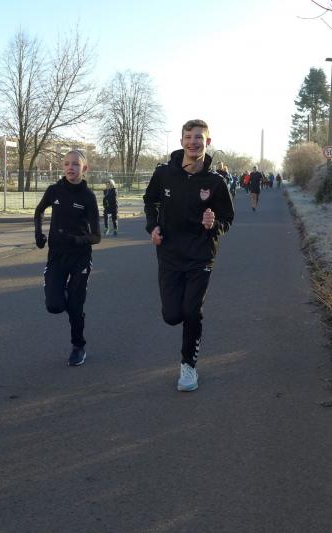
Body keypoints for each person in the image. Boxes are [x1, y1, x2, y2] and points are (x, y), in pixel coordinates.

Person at [143, 119, 234, 391]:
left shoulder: (216, 182)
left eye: (198, 138)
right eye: (188, 137)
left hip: (200, 255)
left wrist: (213, 224)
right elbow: (150, 201)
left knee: (192, 311)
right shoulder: (163, 173)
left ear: (207, 142)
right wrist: (153, 226)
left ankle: (188, 366)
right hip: (169, 254)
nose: (193, 142)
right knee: (172, 315)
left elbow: (227, 218)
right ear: (181, 140)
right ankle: (184, 318)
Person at [34, 150, 101, 366]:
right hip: (56, 257)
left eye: (75, 164)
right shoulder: (54, 191)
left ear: (84, 168)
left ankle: (78, 346)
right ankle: (60, 290)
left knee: (75, 306)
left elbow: (96, 236)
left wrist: (76, 240)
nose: (70, 167)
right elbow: (39, 211)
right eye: (66, 164)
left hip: (80, 258)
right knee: (55, 306)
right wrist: (38, 233)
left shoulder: (88, 197)